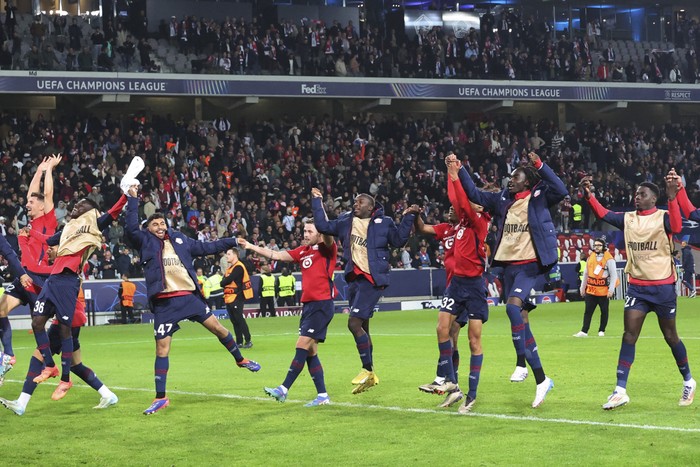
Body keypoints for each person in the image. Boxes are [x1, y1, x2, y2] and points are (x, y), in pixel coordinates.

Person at [124, 185, 260, 415]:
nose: (159, 227)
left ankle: (240, 359)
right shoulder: (144, 241)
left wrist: (231, 241)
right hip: (165, 302)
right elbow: (129, 227)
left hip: (188, 297)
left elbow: (207, 247)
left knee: (218, 328)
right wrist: (132, 198)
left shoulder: (180, 240)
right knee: (162, 348)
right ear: (147, 229)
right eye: (154, 224)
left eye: (162, 223)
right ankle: (161, 397)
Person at [454, 151, 567, 408]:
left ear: (527, 181)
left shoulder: (539, 196)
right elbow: (475, 194)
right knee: (522, 319)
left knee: (512, 308)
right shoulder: (503, 199)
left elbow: (561, 189)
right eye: (511, 176)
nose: (511, 179)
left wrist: (540, 165)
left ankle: (532, 372)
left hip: (531, 265)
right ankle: (534, 374)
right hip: (509, 267)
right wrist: (461, 169)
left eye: (516, 176)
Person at [581, 175, 695, 409]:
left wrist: (672, 198)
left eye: (642, 194)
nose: (637, 196)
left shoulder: (663, 216)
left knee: (671, 337)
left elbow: (676, 226)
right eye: (636, 193)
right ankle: (620, 390)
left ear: (654, 198)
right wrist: (589, 196)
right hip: (638, 288)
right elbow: (603, 214)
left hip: (662, 287)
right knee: (629, 335)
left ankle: (689, 381)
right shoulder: (628, 219)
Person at [312, 187, 419, 394]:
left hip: (373, 279)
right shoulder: (345, 221)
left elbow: (398, 241)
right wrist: (317, 201)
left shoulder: (384, 222)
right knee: (364, 328)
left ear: (371, 208)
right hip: (354, 280)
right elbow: (323, 225)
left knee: (354, 323)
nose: (355, 204)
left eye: (360, 202)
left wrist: (408, 218)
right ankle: (371, 374)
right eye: (355, 202)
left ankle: (367, 369)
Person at [28, 194, 128, 401]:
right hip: (54, 279)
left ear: (89, 211)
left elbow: (113, 213)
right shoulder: (67, 229)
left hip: (68, 280)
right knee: (37, 322)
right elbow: (48, 240)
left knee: (65, 330)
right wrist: (30, 233)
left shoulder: (94, 224)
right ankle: (50, 366)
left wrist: (126, 194)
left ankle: (65, 380)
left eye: (80, 205)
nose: (75, 207)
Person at [0, 251, 118, 415]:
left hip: (67, 319)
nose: (49, 251)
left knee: (38, 356)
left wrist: (25, 267)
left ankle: (21, 403)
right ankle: (108, 394)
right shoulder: (63, 271)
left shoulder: (61, 269)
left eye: (53, 248)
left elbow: (39, 271)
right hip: (74, 318)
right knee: (76, 365)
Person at [415, 157, 491, 413]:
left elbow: (461, 199)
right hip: (456, 284)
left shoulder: (479, 222)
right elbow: (457, 200)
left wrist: (454, 174)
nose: (463, 205)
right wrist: (451, 173)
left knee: (473, 341)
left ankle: (472, 394)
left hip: (475, 286)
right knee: (442, 328)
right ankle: (451, 383)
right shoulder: (459, 225)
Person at [240, 219, 337, 406]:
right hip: (309, 306)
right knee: (310, 352)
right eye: (304, 231)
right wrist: (251, 245)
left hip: (321, 304)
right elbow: (275, 255)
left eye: (309, 231)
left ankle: (283, 389)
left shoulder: (327, 249)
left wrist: (320, 212)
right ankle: (323, 396)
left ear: (319, 233)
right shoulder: (302, 252)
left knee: (301, 345)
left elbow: (328, 234)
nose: (305, 234)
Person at [0, 155, 60, 378]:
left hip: (40, 280)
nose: (27, 204)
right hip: (23, 276)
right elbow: (31, 192)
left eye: (32, 203)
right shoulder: (31, 224)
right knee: (0, 311)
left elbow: (47, 194)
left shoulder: (48, 221)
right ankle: (8, 356)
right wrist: (39, 169)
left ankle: (50, 364)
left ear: (43, 206)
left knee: (38, 323)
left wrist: (49, 171)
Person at [574, 238, 618, 337]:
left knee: (604, 311)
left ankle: (601, 330)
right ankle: (584, 331)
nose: (596, 247)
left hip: (603, 290)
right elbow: (586, 273)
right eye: (595, 245)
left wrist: (611, 290)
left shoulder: (609, 259)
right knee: (588, 311)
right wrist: (582, 288)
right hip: (591, 289)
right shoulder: (591, 257)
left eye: (598, 245)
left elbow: (614, 275)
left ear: (603, 247)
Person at [221, 248, 253, 348]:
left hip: (237, 296)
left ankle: (248, 340)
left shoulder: (238, 267)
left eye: (229, 254)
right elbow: (223, 282)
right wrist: (225, 281)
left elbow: (226, 280)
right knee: (234, 320)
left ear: (235, 255)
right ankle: (239, 341)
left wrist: (225, 281)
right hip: (229, 297)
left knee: (239, 319)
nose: (227, 256)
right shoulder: (231, 268)